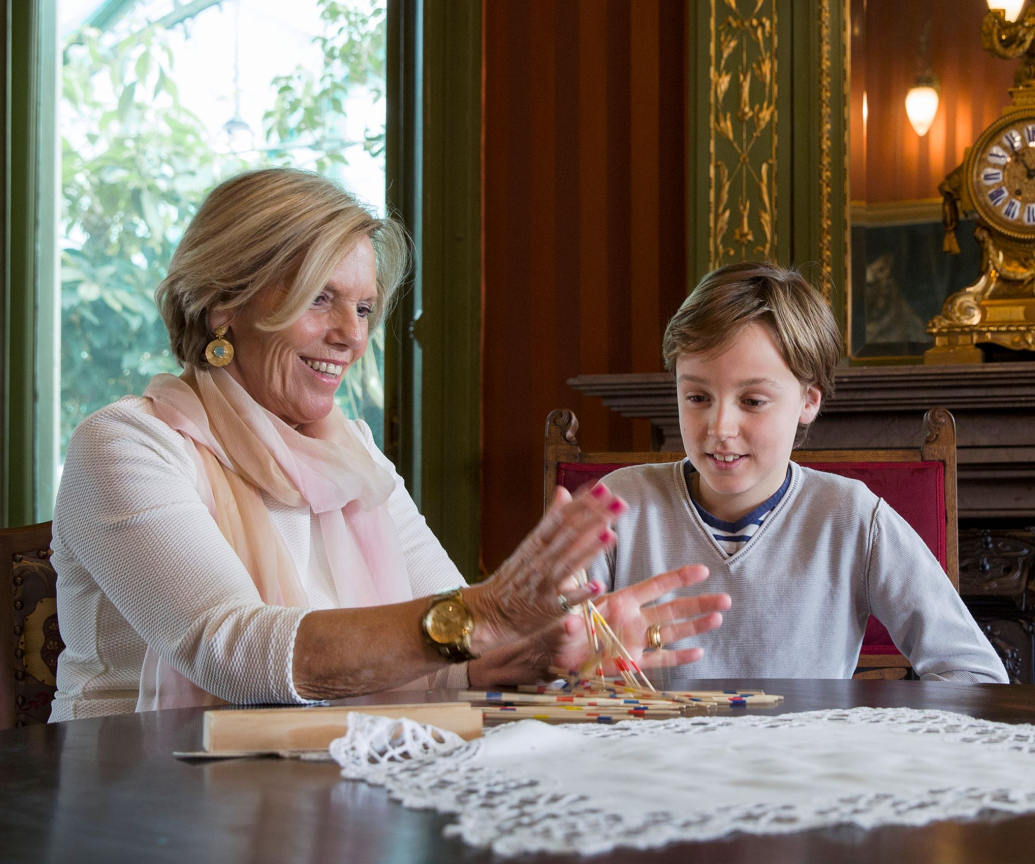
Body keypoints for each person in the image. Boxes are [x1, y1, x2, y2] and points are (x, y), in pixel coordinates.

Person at [50, 168, 728, 720]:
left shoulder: (355, 459)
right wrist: (485, 614)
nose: (353, 334)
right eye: (323, 299)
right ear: (225, 302)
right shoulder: (128, 443)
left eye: (366, 307)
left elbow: (452, 657)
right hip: (139, 800)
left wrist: (556, 648)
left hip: (321, 791)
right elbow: (230, 651)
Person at [590, 262, 1007, 683]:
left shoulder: (854, 517)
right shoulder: (617, 505)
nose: (719, 428)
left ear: (808, 401)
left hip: (806, 750)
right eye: (697, 396)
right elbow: (550, 669)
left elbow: (974, 673)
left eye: (753, 401)